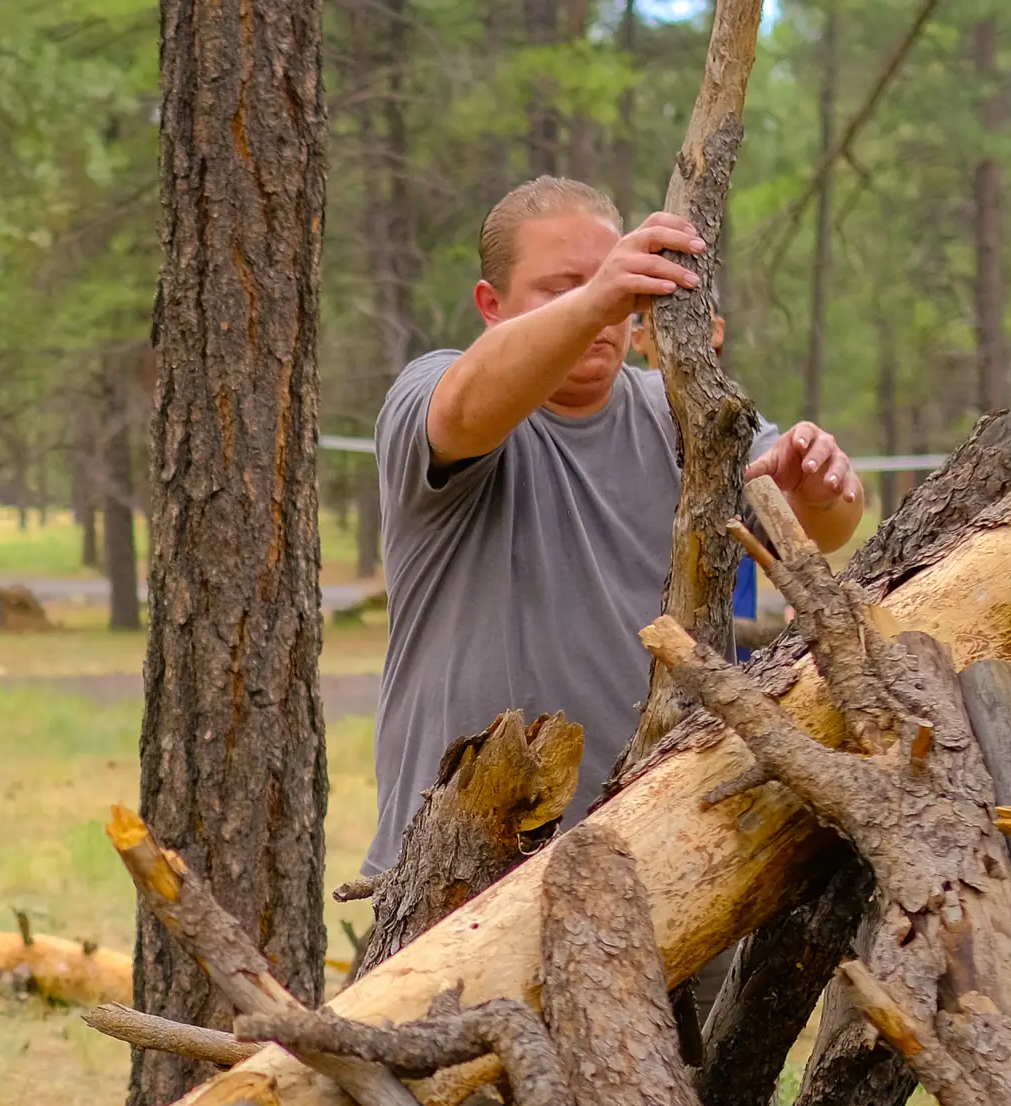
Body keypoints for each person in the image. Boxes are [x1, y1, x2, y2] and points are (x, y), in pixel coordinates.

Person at [366, 176, 863, 877]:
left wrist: (819, 487)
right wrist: (596, 295)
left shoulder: (686, 412)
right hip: (463, 866)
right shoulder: (436, 387)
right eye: (562, 286)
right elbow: (462, 414)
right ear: (490, 304)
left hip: (669, 852)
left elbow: (823, 528)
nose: (601, 310)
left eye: (613, 286)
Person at [629, 300, 767, 661]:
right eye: (660, 318)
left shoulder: (736, 421)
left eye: (692, 315)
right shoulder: (619, 424)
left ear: (716, 330)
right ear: (637, 337)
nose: (678, 328)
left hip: (725, 640)